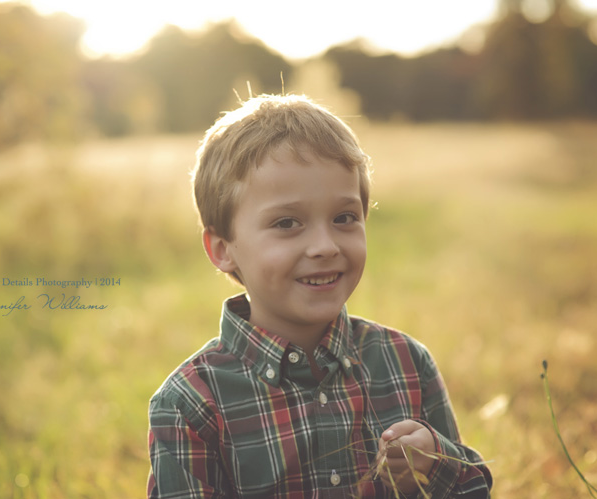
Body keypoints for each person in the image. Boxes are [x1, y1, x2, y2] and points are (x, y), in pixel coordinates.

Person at [147, 94, 492, 497]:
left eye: (344, 218)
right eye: (288, 222)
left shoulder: (406, 364)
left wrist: (437, 462)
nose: (325, 245)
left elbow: (472, 491)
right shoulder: (191, 403)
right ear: (223, 249)